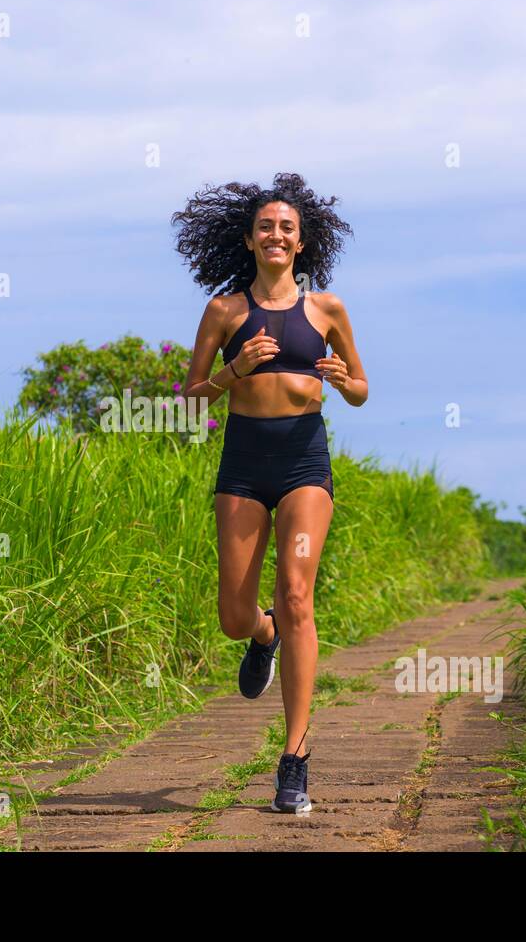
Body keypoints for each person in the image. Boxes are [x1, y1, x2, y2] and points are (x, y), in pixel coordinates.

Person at [171, 172, 367, 813]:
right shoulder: (224, 311)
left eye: (286, 226)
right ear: (251, 240)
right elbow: (192, 391)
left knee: (297, 592)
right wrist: (236, 369)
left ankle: (295, 758)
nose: (276, 234)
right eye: (265, 227)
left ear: (302, 241)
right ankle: (263, 637)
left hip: (305, 460)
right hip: (244, 463)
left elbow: (363, 389)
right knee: (234, 614)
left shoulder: (327, 311)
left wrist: (341, 380)